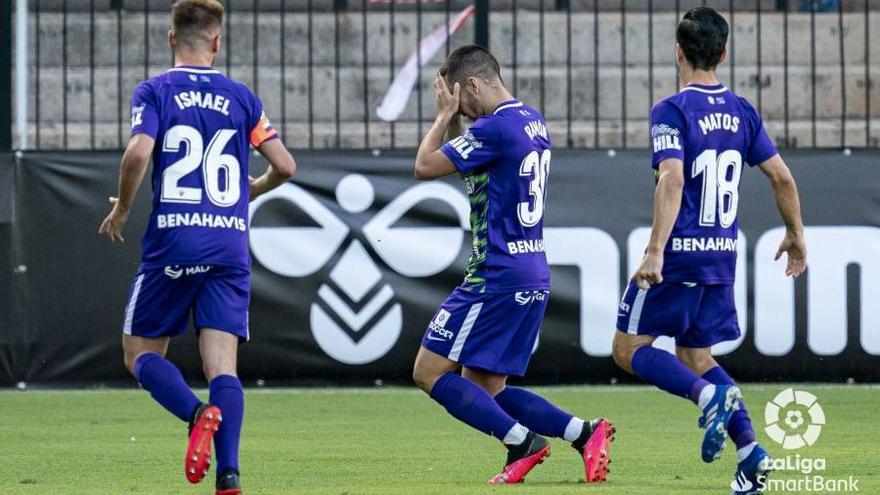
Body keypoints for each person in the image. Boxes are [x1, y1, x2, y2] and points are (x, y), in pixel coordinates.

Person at [98, 1, 296, 493]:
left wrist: (122, 207)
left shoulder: (156, 90)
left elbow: (139, 150)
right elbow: (286, 166)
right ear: (216, 42)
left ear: (171, 39)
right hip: (229, 246)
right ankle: (228, 476)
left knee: (139, 352)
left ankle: (195, 413)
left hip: (175, 242)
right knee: (222, 366)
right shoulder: (240, 97)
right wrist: (251, 189)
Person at [611, 7, 807, 495]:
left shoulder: (672, 110)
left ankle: (705, 400)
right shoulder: (742, 111)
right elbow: (781, 176)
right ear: (723, 53)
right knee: (696, 354)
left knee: (627, 349)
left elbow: (673, 176)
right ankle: (751, 454)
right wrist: (796, 233)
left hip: (679, 256)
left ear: (678, 51)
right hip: (721, 256)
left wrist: (655, 250)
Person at [411, 45, 614, 485]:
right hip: (531, 269)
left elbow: (424, 166)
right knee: (486, 389)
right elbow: (484, 173)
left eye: (459, 99)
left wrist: (443, 116)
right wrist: (458, 115)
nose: (461, 111)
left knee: (428, 371)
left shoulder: (494, 128)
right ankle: (585, 433)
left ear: (473, 85)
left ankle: (523, 442)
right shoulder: (531, 120)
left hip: (495, 276)